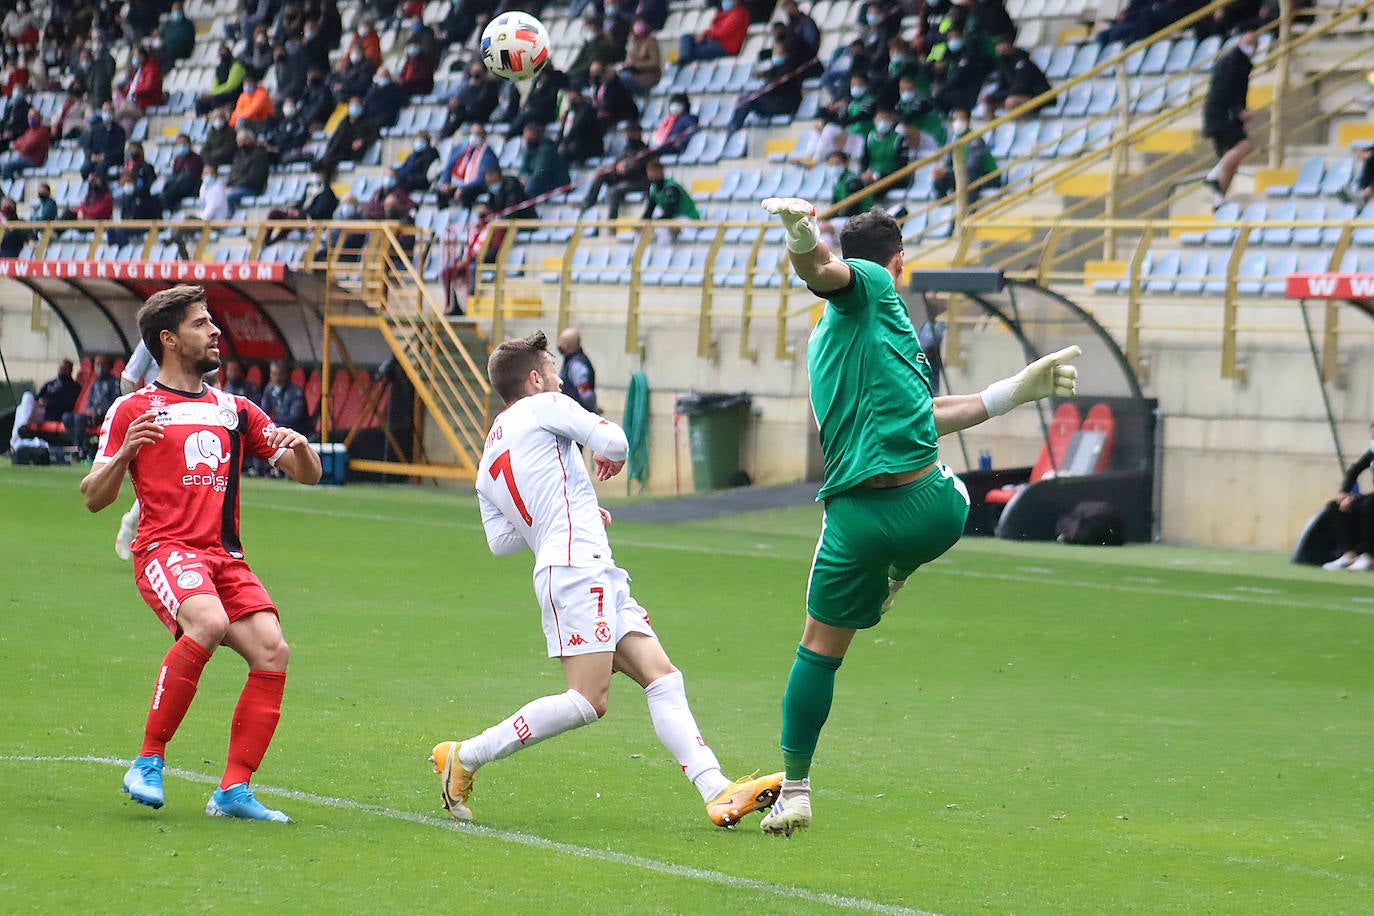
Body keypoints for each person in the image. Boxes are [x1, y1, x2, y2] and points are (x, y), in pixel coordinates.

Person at [755, 199, 1080, 836]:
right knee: (955, 496)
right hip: (933, 510)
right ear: (899, 261)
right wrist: (801, 233)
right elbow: (820, 271)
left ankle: (795, 789)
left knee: (817, 652)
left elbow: (922, 413)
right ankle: (897, 576)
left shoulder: (835, 339)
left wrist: (1015, 389)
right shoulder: (873, 285)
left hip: (853, 521)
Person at [428, 330, 783, 827]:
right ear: (535, 380)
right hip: (577, 567)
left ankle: (717, 789)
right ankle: (465, 755)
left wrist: (576, 509)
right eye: (552, 370)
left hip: (581, 563)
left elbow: (501, 540)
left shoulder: (489, 454)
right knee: (588, 700)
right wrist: (601, 467)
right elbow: (614, 439)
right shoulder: (547, 404)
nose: (559, 378)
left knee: (662, 677)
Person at [80, 284, 321, 822]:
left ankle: (233, 791)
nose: (215, 333)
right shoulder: (133, 409)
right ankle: (147, 760)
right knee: (207, 621)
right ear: (168, 340)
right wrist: (123, 454)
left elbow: (308, 476)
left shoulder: (235, 410)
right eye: (201, 324)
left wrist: (302, 451)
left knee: (272, 651)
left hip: (225, 557)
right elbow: (95, 498)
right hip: (166, 550)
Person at [1202, 32, 1257, 209]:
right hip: (1222, 114)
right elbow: (1227, 90)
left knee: (1234, 157)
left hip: (1222, 113)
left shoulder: (1235, 61)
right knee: (1245, 146)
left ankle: (1219, 197)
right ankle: (1214, 174)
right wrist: (1238, 110)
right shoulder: (1234, 62)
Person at [1321, 422, 1374, 572]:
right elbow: (1354, 471)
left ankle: (1367, 554)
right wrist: (1345, 493)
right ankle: (1348, 554)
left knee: (1369, 504)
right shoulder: (1372, 453)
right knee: (1335, 506)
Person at [64, 354, 120, 458]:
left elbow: (116, 402)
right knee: (67, 417)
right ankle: (80, 445)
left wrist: (98, 411)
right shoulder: (95, 383)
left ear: (109, 366)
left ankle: (80, 450)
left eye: (102, 364)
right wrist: (89, 410)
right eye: (97, 364)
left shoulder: (115, 382)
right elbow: (89, 401)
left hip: (105, 415)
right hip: (91, 416)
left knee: (79, 419)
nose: (99, 367)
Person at [678, 0, 750, 65]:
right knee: (686, 37)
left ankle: (684, 61)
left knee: (693, 52)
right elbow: (716, 29)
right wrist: (704, 36)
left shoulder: (739, 14)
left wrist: (705, 34)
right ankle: (685, 59)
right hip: (715, 41)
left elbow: (723, 32)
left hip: (725, 47)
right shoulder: (727, 13)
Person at [261, 360, 310, 435]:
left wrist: (274, 421)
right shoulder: (269, 389)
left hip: (298, 432)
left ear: (287, 374)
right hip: (279, 427)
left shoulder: (296, 392)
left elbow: (294, 419)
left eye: (280, 374)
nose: (277, 378)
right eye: (274, 374)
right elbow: (263, 412)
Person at [557, 328, 597, 413]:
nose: (559, 345)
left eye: (561, 342)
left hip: (576, 414)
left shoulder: (576, 364)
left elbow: (586, 394)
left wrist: (592, 411)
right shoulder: (572, 361)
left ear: (567, 344)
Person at [34, 359, 82, 425]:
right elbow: (38, 396)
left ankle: (19, 431)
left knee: (25, 409)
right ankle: (19, 431)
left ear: (70, 370)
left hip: (53, 413)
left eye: (64, 368)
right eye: (60, 368)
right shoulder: (50, 383)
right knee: (26, 398)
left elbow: (68, 404)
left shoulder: (74, 387)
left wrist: (48, 404)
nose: (61, 370)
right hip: (39, 408)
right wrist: (39, 401)